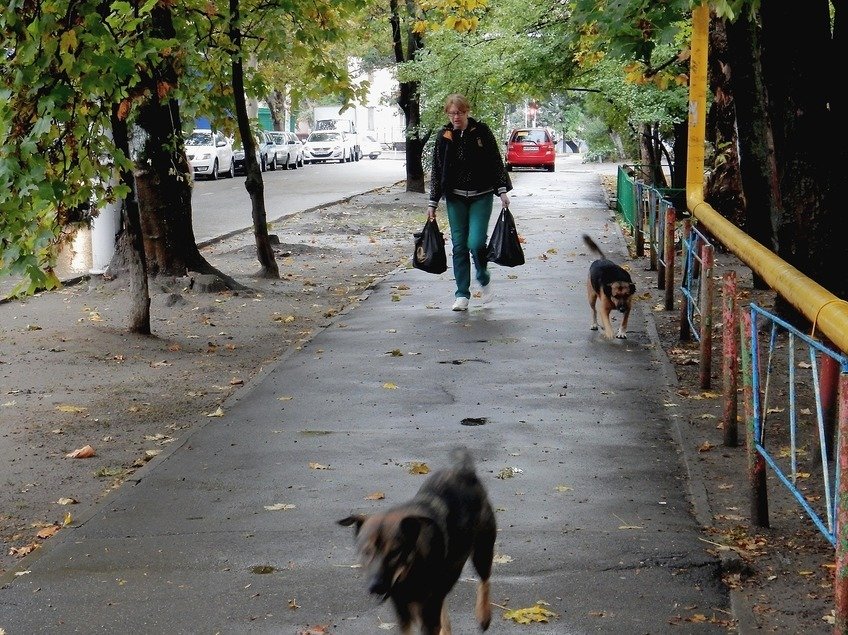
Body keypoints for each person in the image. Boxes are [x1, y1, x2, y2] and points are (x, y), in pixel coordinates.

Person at [428, 94, 512, 311]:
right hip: (455, 197)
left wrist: (502, 191)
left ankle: (483, 276)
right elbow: (437, 170)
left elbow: (495, 161)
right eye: (452, 113)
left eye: (460, 112)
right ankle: (462, 294)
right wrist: (433, 202)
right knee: (458, 246)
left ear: (467, 112)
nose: (456, 117)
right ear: (448, 113)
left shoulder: (481, 132)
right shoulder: (444, 136)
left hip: (481, 195)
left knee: (475, 243)